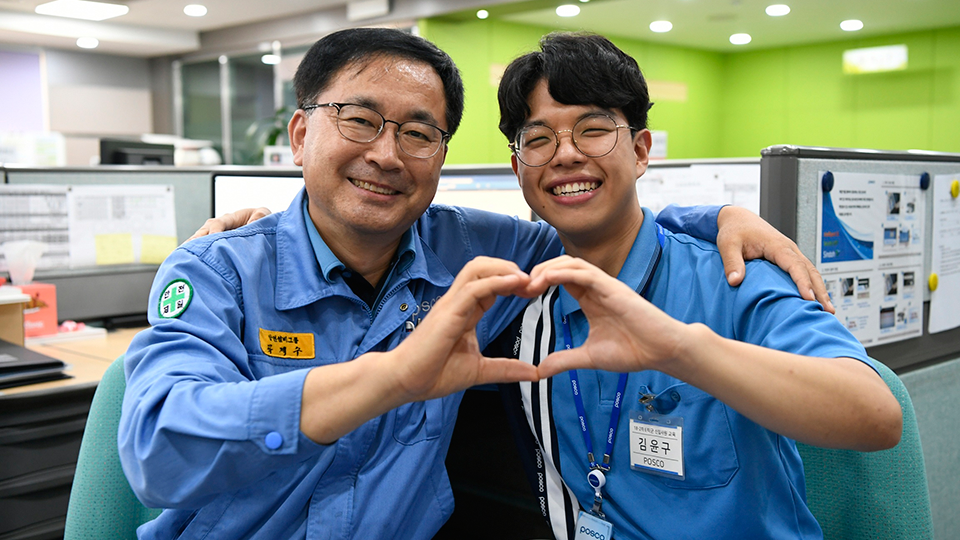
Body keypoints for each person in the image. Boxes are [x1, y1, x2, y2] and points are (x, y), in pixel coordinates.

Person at [121, 28, 829, 539]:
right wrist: (396, 376)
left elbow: (595, 224)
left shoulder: (477, 250)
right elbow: (159, 450)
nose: (387, 155)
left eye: (419, 135)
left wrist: (724, 214)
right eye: (362, 120)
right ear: (302, 135)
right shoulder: (219, 272)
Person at [486, 32, 902, 540]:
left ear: (641, 151)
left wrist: (683, 350)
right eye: (538, 138)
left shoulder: (733, 276)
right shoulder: (524, 304)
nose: (566, 155)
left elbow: (876, 415)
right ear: (518, 168)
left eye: (593, 130)